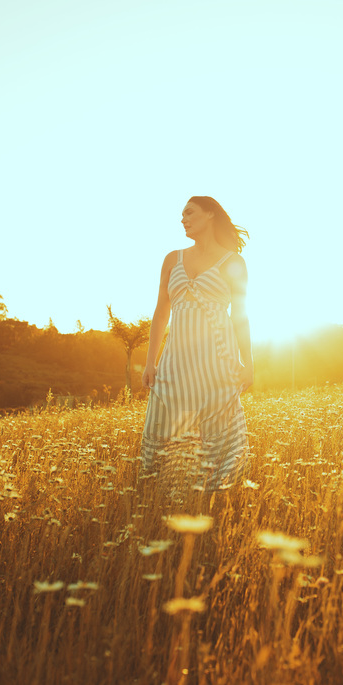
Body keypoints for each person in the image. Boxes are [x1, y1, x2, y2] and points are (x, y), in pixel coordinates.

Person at [140, 196, 252, 489]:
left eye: (189, 212)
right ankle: (161, 489)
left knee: (216, 424)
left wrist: (247, 362)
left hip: (217, 356)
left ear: (211, 214)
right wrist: (150, 361)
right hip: (175, 356)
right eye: (181, 215)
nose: (183, 219)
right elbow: (161, 312)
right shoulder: (172, 258)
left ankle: (214, 492)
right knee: (163, 419)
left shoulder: (233, 261)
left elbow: (241, 315)